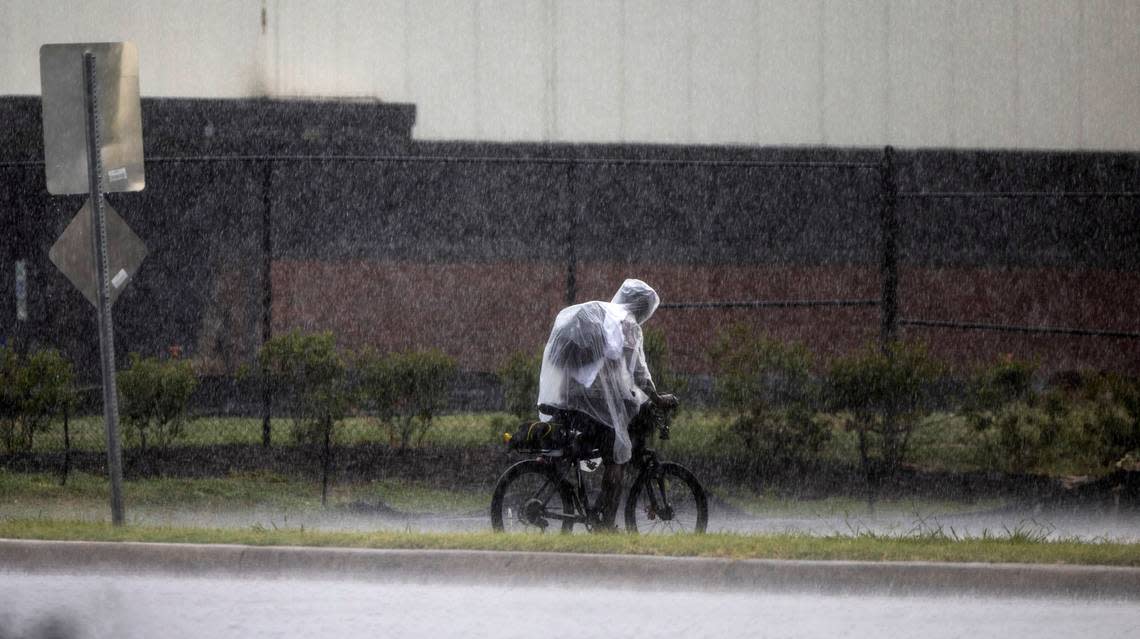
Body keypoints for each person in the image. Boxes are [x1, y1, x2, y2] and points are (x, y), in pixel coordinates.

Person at [535, 278, 676, 530]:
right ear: (642, 307)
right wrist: (655, 398)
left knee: (594, 445)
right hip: (592, 406)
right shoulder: (626, 323)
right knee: (617, 458)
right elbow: (638, 373)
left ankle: (596, 513)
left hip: (569, 401)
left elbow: (611, 374)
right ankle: (606, 525)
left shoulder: (603, 318)